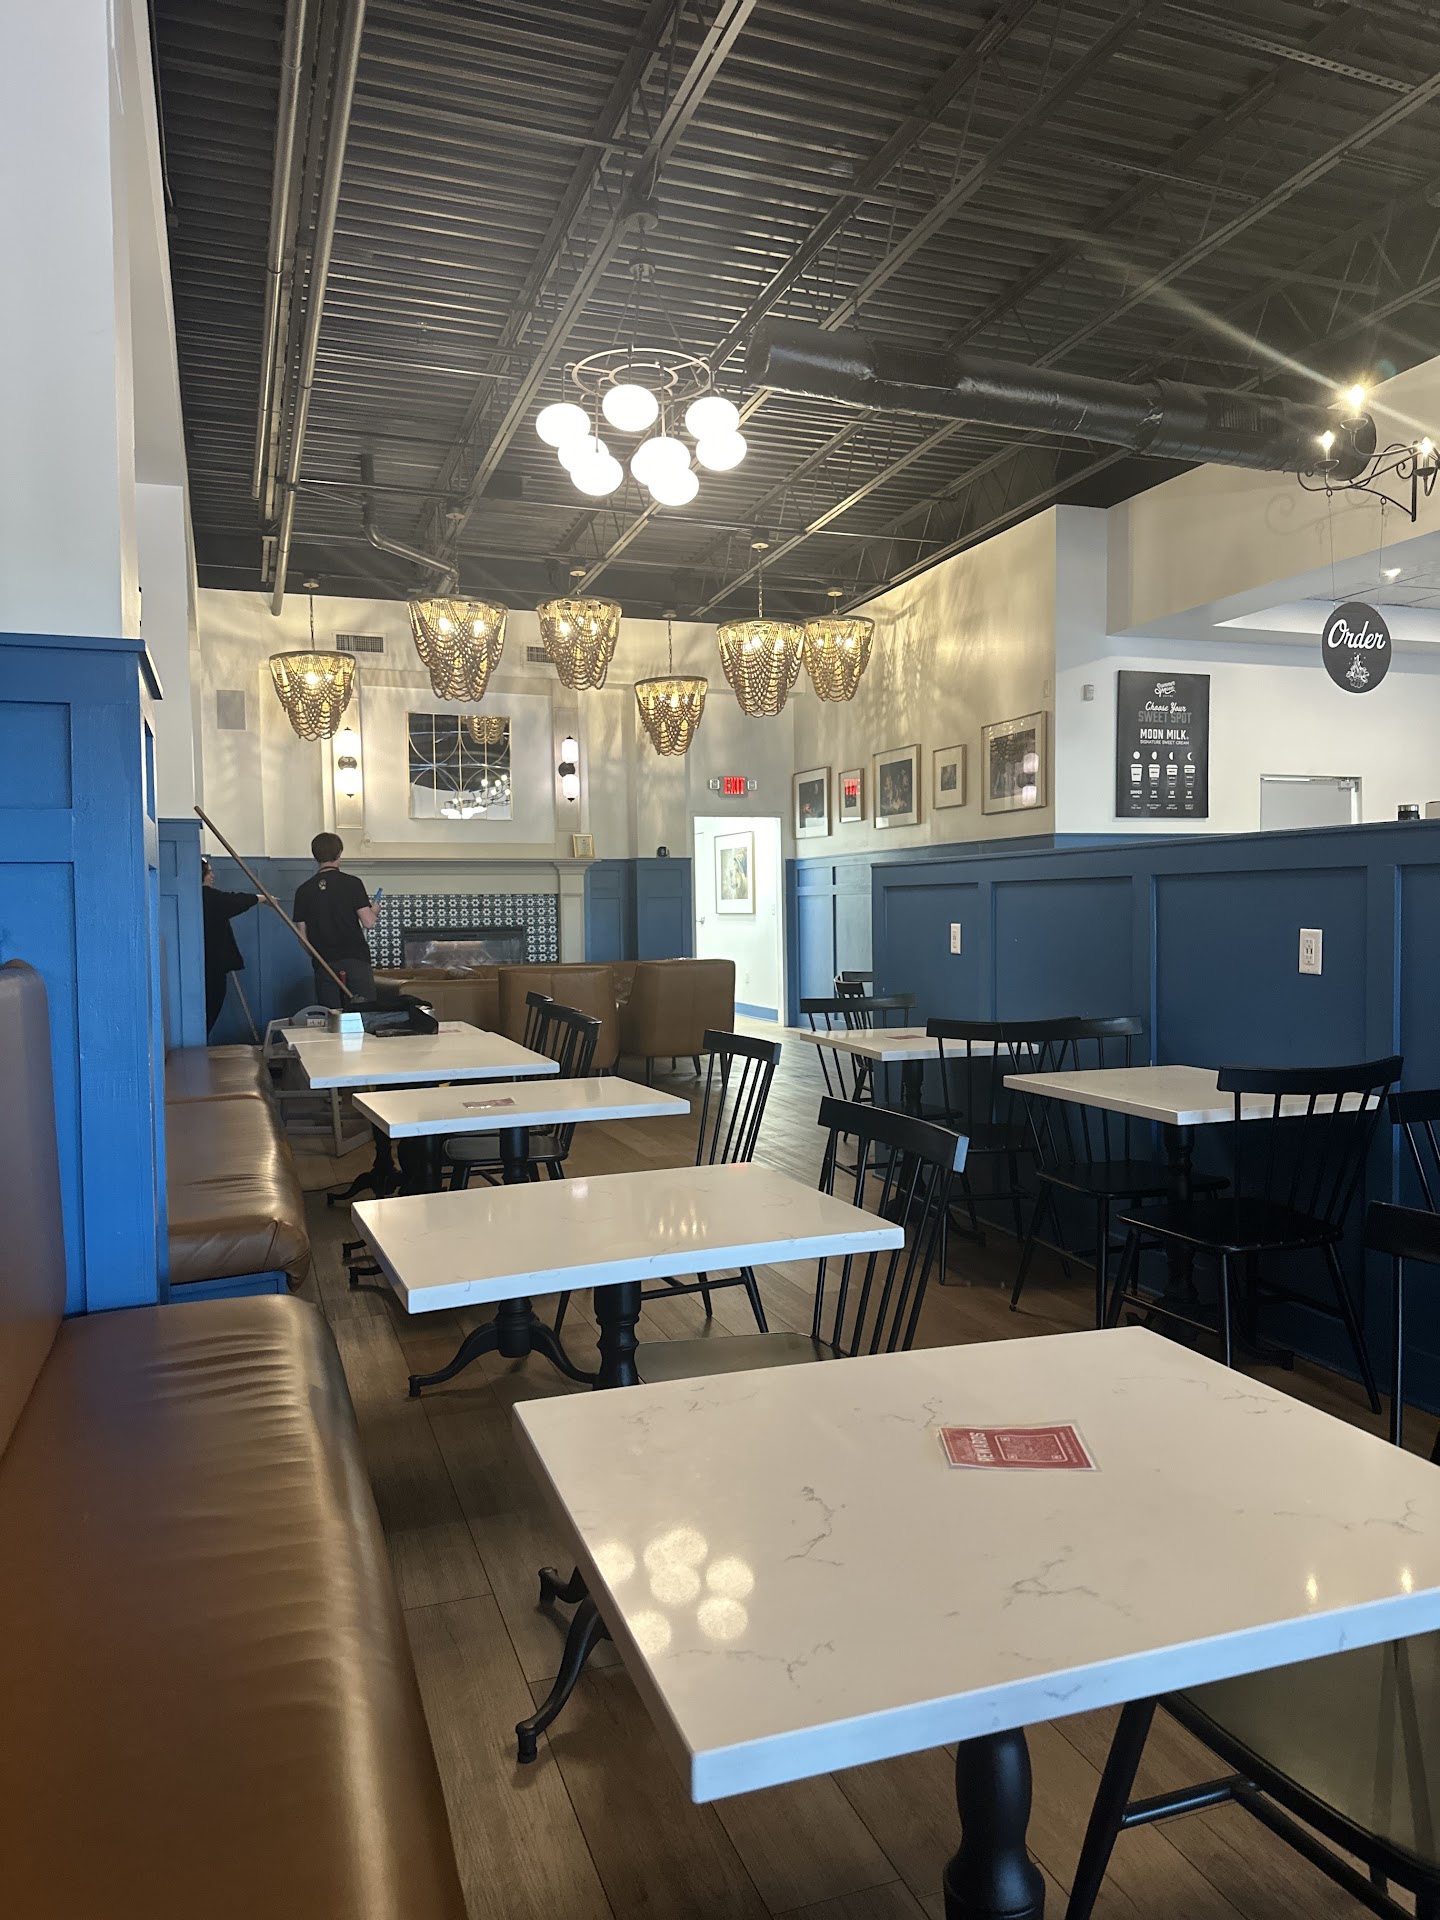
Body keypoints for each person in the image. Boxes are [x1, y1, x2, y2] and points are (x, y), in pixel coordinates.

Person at [292, 833, 378, 1008]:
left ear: (315, 855)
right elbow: (369, 922)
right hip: (355, 959)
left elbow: (302, 937)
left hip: (324, 962)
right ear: (339, 853)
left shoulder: (303, 890)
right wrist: (374, 910)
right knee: (364, 1013)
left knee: (332, 1015)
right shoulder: (352, 883)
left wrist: (316, 955)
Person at [201, 857, 258, 1035]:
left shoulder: (199, 897)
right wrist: (261, 899)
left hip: (206, 964)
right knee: (209, 1011)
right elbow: (236, 900)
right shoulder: (209, 897)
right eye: (209, 872)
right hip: (213, 966)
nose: (213, 876)